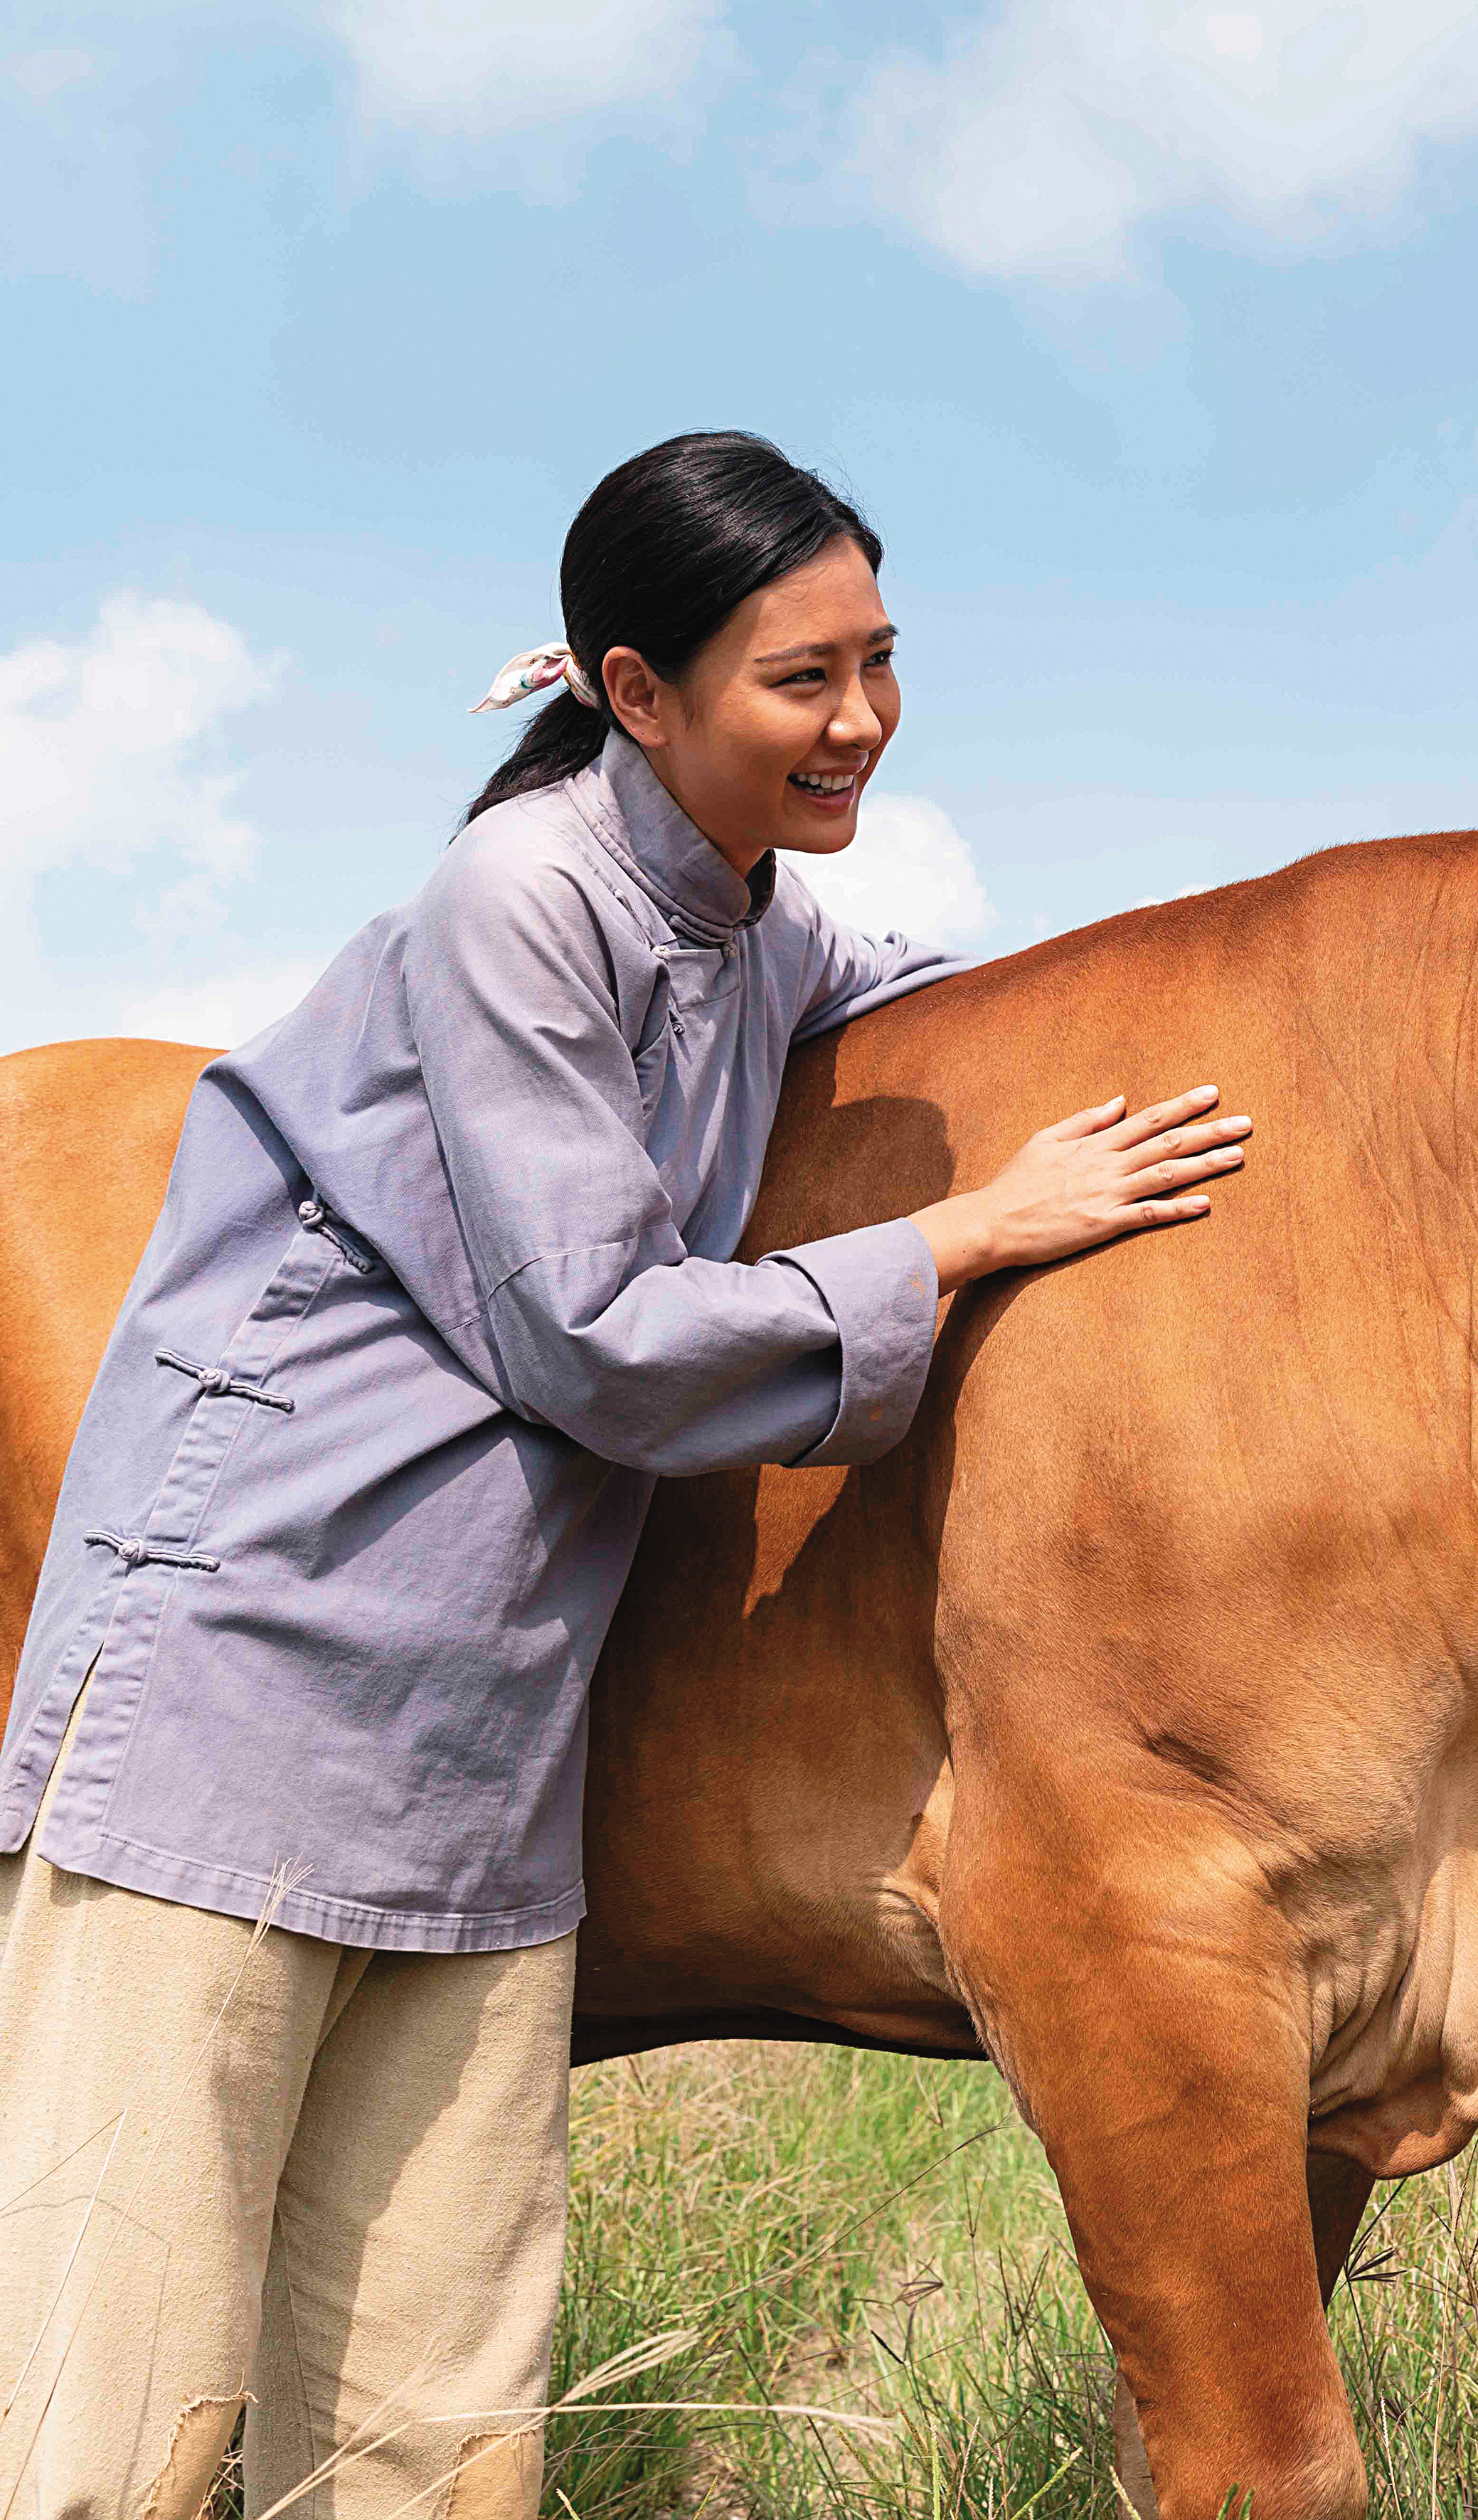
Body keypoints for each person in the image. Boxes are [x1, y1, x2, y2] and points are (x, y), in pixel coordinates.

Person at [0, 432, 1252, 2520]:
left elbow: (926, 994)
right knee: (109, 2424)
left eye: (881, 660)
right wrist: (964, 1234)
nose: (862, 720)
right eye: (801, 678)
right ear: (637, 692)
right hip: (243, 1693)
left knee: (430, 2440)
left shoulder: (757, 927)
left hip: (482, 1749)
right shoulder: (519, 899)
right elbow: (596, 1337)